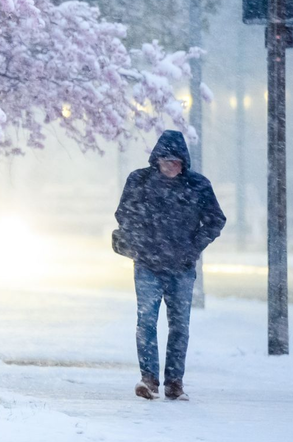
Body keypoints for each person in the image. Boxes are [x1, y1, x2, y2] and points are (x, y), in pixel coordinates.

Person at [112, 130, 226, 401]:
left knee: (179, 326)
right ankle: (149, 379)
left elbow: (215, 219)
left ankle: (174, 382)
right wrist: (139, 243)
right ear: (157, 159)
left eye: (175, 161)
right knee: (146, 322)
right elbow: (124, 214)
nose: (170, 165)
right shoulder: (139, 181)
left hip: (181, 268)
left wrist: (192, 248)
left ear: (183, 162)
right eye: (165, 160)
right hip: (147, 265)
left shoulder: (198, 185)